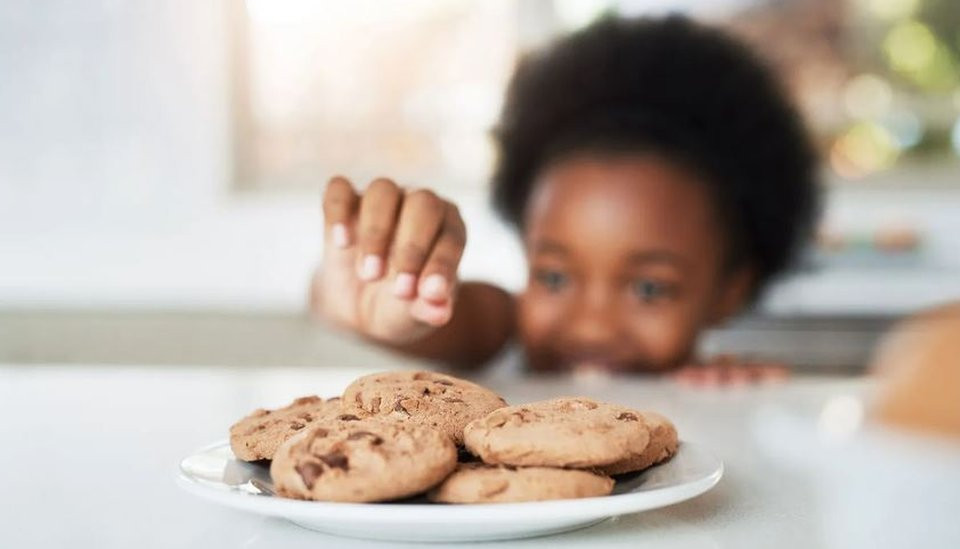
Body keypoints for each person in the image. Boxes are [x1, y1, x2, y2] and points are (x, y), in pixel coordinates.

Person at [311, 16, 818, 382]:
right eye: (553, 277)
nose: (591, 325)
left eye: (649, 289)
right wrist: (374, 296)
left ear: (731, 291)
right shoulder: (503, 326)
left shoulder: (713, 388)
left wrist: (736, 405)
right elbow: (447, 318)